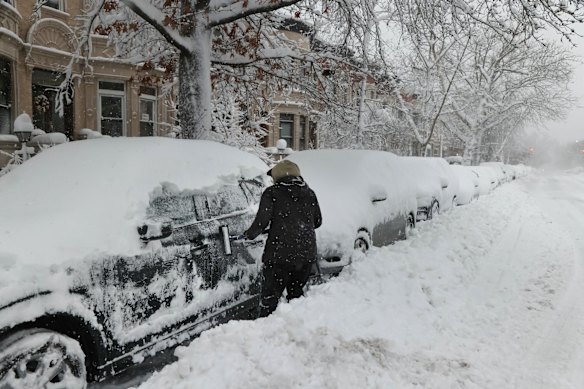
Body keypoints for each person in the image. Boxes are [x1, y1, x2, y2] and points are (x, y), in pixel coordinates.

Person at [243, 159, 322, 318]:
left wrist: (249, 235)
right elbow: (318, 221)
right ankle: (293, 327)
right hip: (305, 256)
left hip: (279, 256)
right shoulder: (309, 193)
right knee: (296, 297)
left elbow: (261, 222)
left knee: (269, 299)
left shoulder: (272, 193)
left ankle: (266, 331)